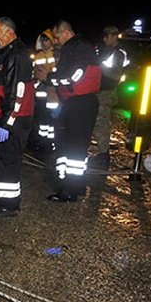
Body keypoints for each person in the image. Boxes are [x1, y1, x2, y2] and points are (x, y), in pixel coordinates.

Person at [0, 17, 35, 218]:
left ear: (9, 32)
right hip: (8, 118)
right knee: (6, 160)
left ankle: (8, 206)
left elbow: (18, 93)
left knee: (8, 162)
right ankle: (8, 203)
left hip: (14, 120)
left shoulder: (17, 55)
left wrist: (6, 123)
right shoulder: (7, 53)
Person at [46, 20, 101, 202]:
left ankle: (70, 190)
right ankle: (75, 186)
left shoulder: (80, 48)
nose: (55, 41)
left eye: (57, 36)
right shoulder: (74, 47)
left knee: (73, 147)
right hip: (75, 102)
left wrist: (50, 79)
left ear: (66, 32)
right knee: (74, 148)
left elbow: (73, 77)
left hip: (80, 103)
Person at [90, 26, 129, 169]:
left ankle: (103, 155)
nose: (105, 39)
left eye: (107, 36)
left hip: (107, 92)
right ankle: (102, 153)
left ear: (114, 36)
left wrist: (99, 67)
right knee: (98, 122)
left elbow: (115, 75)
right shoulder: (107, 51)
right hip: (101, 90)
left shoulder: (118, 53)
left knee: (101, 123)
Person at [29, 29, 59, 156]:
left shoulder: (57, 54)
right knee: (41, 121)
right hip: (40, 93)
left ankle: (53, 143)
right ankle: (42, 143)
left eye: (46, 39)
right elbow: (34, 72)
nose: (44, 42)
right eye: (43, 40)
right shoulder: (38, 56)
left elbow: (58, 72)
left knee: (53, 121)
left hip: (53, 93)